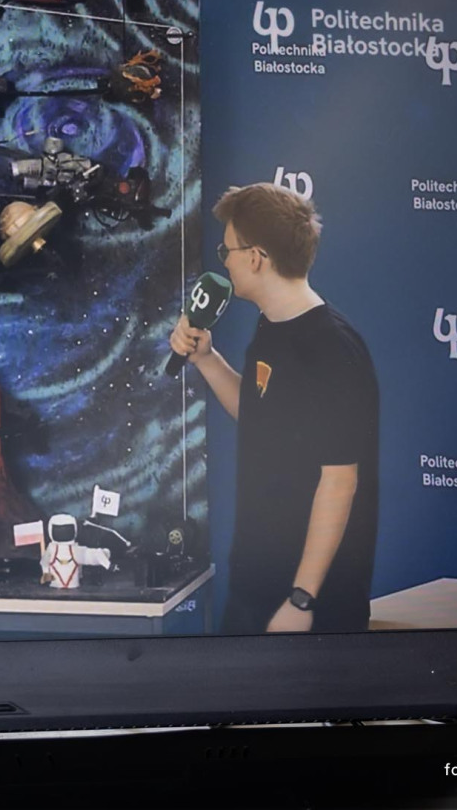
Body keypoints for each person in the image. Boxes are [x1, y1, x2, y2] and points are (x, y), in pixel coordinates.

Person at [169, 183, 379, 634]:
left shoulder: (332, 347)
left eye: (227, 251)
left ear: (256, 257)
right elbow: (260, 415)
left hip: (311, 606)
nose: (223, 262)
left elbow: (339, 481)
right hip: (254, 588)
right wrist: (206, 358)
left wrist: (302, 599)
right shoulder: (271, 326)